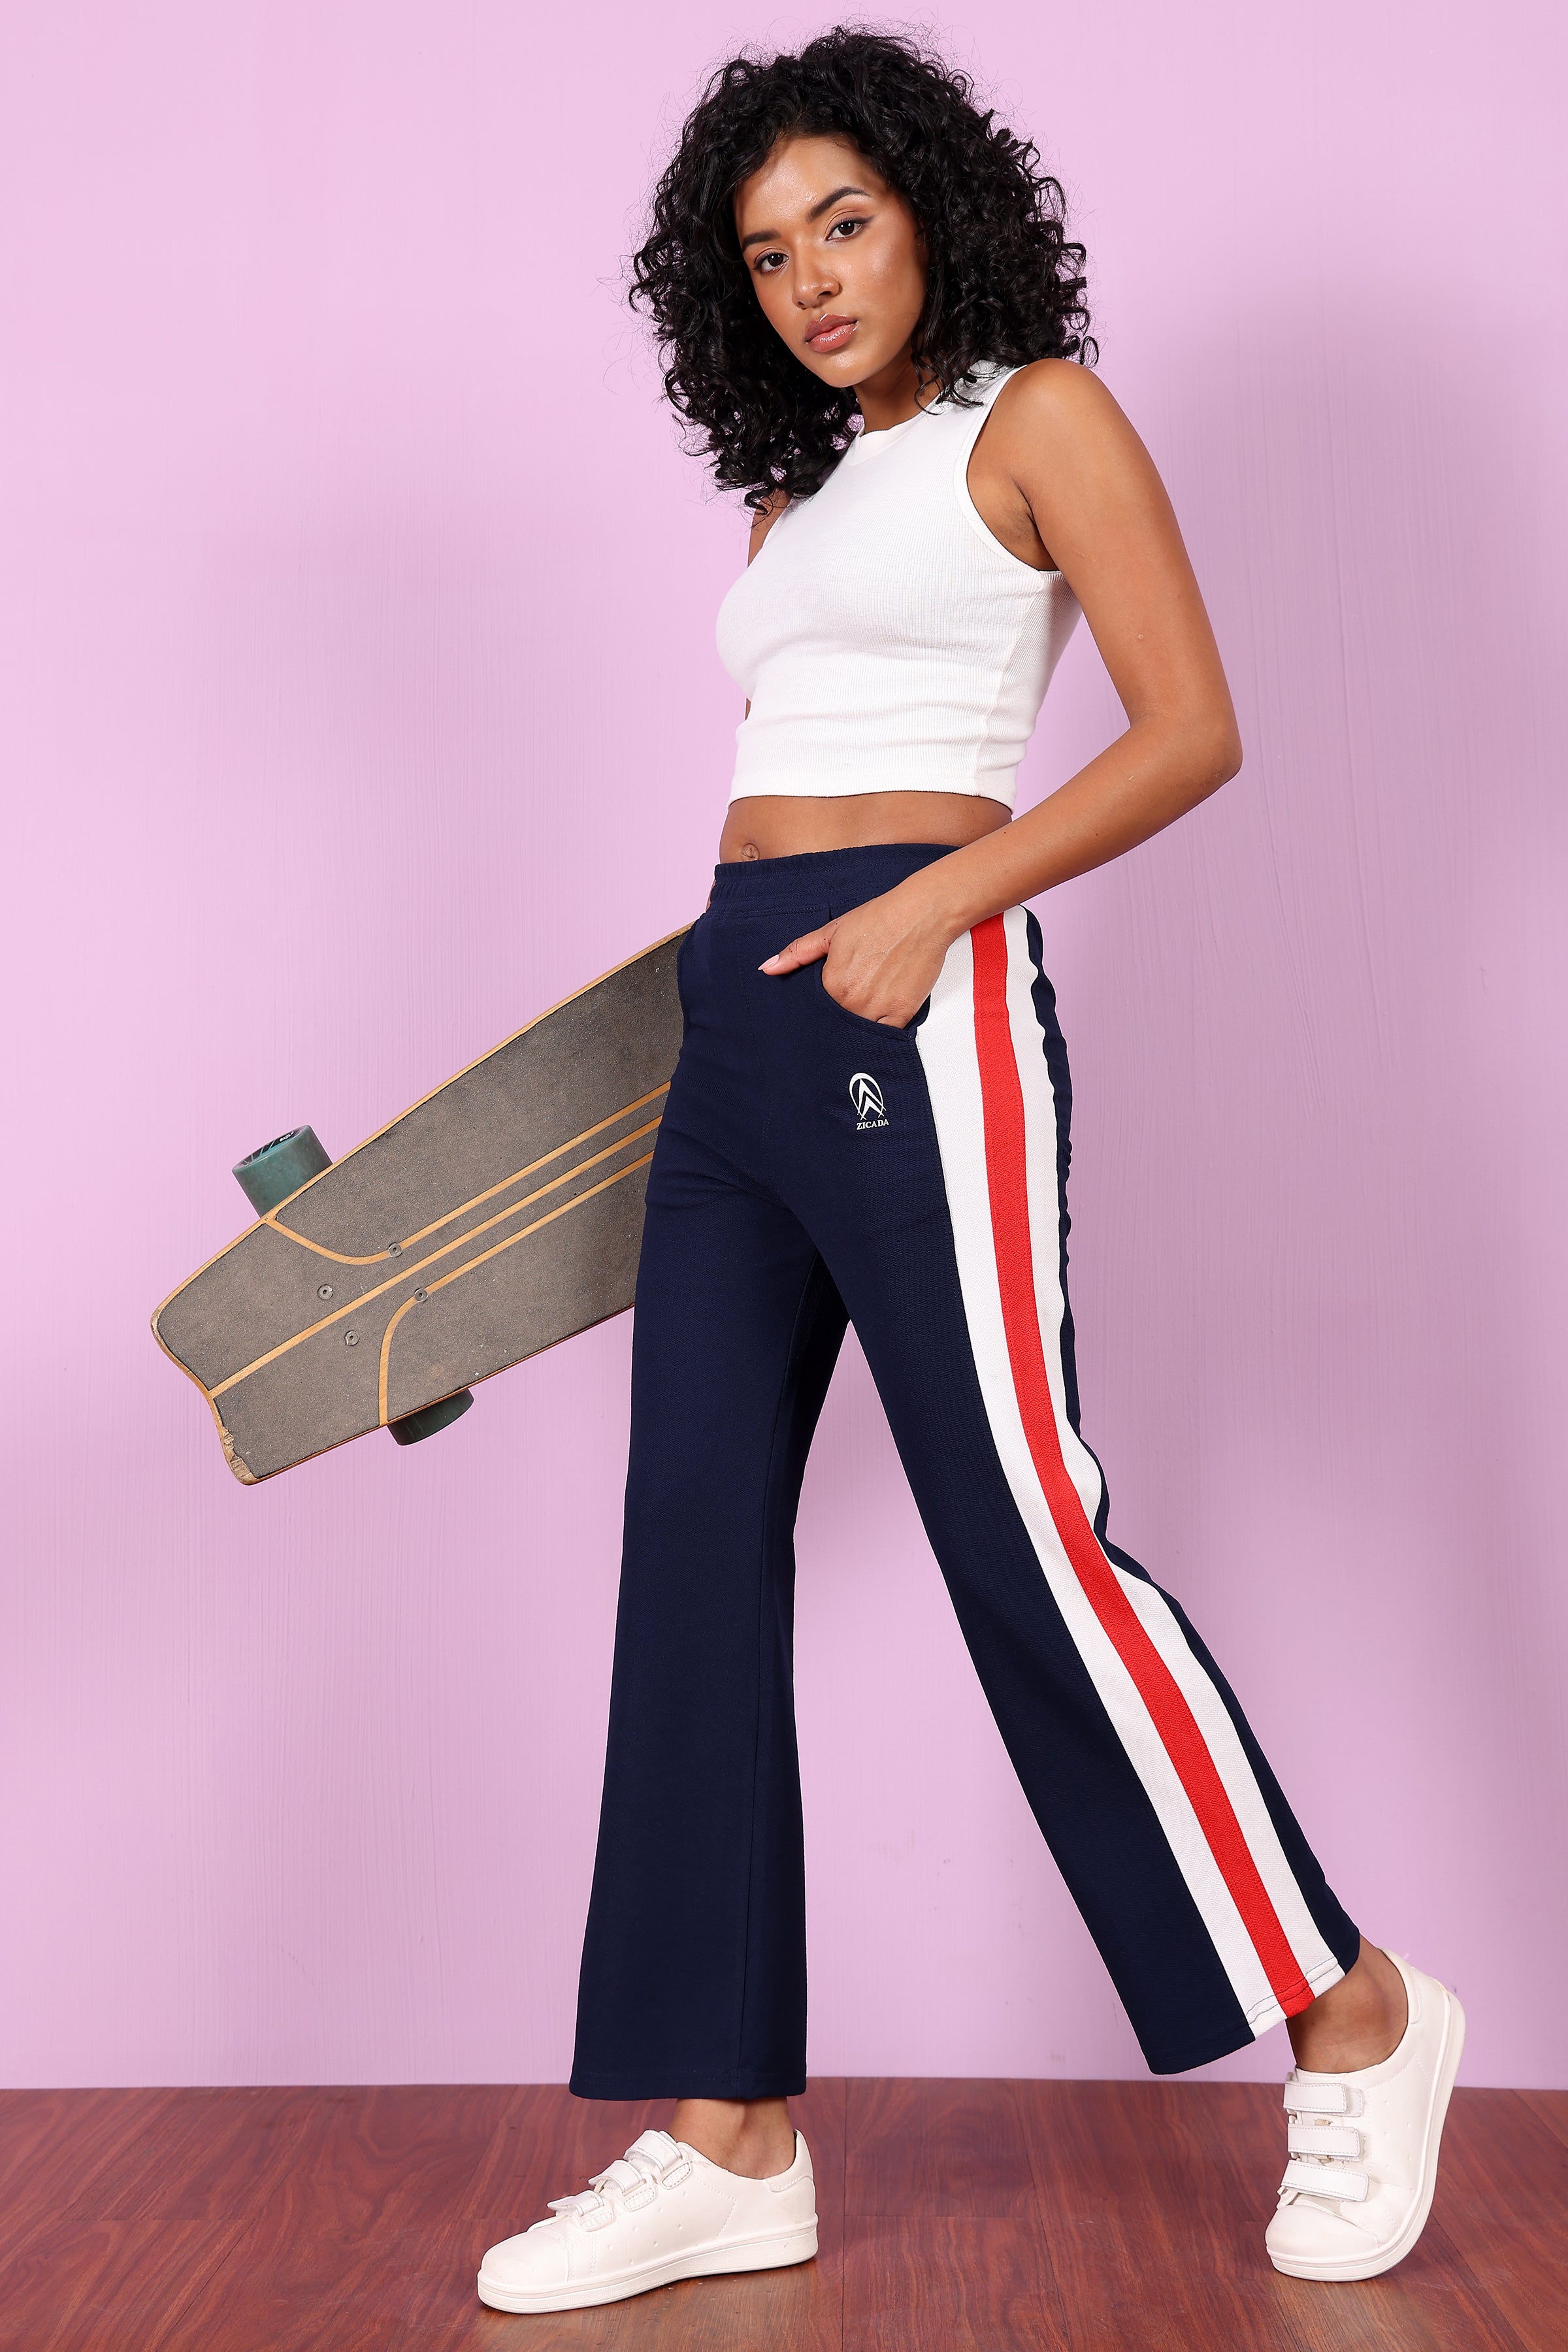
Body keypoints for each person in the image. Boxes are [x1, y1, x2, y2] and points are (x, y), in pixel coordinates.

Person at [477, 28, 1463, 2316]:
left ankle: (1359, 2017)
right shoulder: (798, 493)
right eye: (768, 253)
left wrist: (945, 905)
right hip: (734, 1020)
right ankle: (726, 2129)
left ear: (926, 204)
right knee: (693, 1551)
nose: (816, 276)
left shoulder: (1045, 416)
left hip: (913, 1009)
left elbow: (1194, 720)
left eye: (845, 219)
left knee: (1023, 1522)